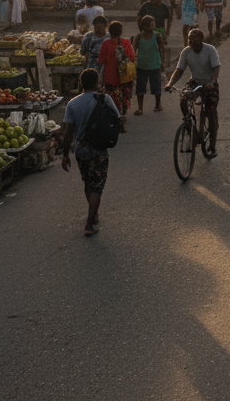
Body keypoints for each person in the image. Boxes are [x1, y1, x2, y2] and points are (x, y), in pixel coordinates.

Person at [61, 67, 120, 236]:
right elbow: (116, 118)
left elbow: (68, 134)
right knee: (97, 187)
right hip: (99, 151)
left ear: (81, 84)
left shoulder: (72, 103)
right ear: (97, 83)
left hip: (81, 151)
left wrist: (65, 155)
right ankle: (89, 223)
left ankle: (93, 215)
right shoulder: (105, 99)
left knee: (88, 183)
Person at [165, 28, 221, 157]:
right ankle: (190, 126)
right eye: (189, 38)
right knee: (183, 98)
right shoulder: (186, 52)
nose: (190, 41)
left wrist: (212, 81)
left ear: (201, 39)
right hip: (195, 81)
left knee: (211, 112)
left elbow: (216, 68)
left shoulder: (210, 50)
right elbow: (179, 70)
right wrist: (170, 83)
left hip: (208, 82)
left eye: (194, 38)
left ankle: (212, 144)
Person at [97, 20, 135, 131]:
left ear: (109, 31)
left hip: (110, 77)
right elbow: (132, 58)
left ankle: (115, 117)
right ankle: (121, 117)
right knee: (123, 97)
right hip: (125, 77)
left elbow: (101, 60)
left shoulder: (106, 43)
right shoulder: (126, 42)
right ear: (121, 31)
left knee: (111, 99)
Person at [132, 14, 164, 115]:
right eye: (149, 26)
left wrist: (162, 62)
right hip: (141, 66)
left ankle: (158, 104)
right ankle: (140, 108)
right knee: (140, 87)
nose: (151, 27)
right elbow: (134, 50)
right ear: (143, 27)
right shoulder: (138, 37)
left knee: (156, 86)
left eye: (152, 25)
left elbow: (161, 50)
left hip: (155, 65)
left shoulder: (157, 36)